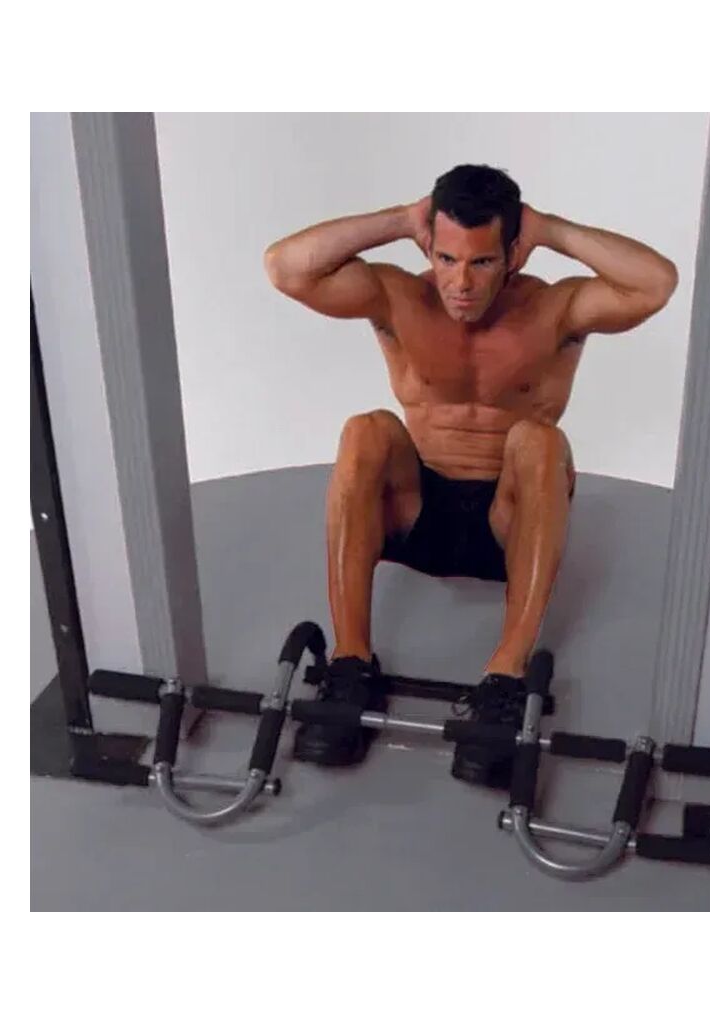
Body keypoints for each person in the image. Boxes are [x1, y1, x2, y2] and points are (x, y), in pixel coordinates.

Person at [263, 164, 678, 787]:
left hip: (509, 526)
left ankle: (504, 677)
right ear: (429, 247)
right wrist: (402, 220)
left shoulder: (552, 309)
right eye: (446, 258)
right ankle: (351, 665)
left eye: (482, 262)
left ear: (512, 253)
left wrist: (548, 228)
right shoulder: (400, 298)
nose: (460, 283)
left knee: (539, 441)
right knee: (365, 430)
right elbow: (285, 268)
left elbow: (656, 283)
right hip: (414, 513)